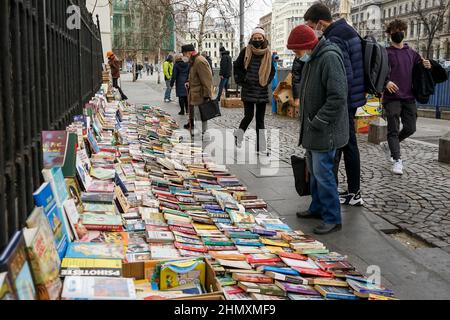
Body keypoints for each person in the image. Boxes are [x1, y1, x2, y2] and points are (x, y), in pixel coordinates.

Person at [287, 25, 349, 235]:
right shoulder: (313, 58)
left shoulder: (329, 57)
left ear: (306, 46)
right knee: (314, 172)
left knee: (323, 174)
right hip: (313, 129)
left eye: (296, 51)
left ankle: (332, 217)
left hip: (324, 130)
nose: (296, 55)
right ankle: (317, 208)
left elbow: (338, 96)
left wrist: (319, 120)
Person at [304, 3, 366, 207]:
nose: (313, 30)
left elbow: (341, 76)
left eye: (312, 26)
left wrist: (331, 105)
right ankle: (351, 191)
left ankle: (347, 193)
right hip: (354, 96)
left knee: (342, 144)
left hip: (345, 100)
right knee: (347, 144)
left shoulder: (335, 37)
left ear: (320, 22)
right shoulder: (347, 30)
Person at [381, 19, 431, 175]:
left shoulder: (412, 53)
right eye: (394, 31)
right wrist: (386, 82)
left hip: (409, 97)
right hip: (392, 98)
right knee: (393, 130)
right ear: (389, 34)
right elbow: (377, 73)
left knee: (410, 128)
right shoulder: (385, 53)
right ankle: (397, 160)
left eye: (400, 30)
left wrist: (427, 65)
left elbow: (422, 65)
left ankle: (389, 145)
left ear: (404, 32)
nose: (398, 33)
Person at [233, 27, 276, 154]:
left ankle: (261, 148)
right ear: (252, 38)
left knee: (260, 119)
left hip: (261, 90)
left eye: (260, 38)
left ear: (264, 39)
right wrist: (242, 80)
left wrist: (266, 82)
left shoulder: (268, 53)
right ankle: (238, 135)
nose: (257, 40)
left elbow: (272, 71)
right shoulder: (245, 51)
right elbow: (237, 66)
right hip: (248, 89)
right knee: (249, 116)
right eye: (255, 38)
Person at [181, 44, 213, 137]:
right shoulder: (194, 61)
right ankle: (201, 133)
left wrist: (207, 95)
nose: (184, 56)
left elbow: (207, 79)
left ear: (189, 53)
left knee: (201, 116)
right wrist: (188, 82)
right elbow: (195, 76)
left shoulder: (199, 61)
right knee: (198, 115)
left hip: (200, 94)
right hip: (195, 93)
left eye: (184, 54)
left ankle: (203, 134)